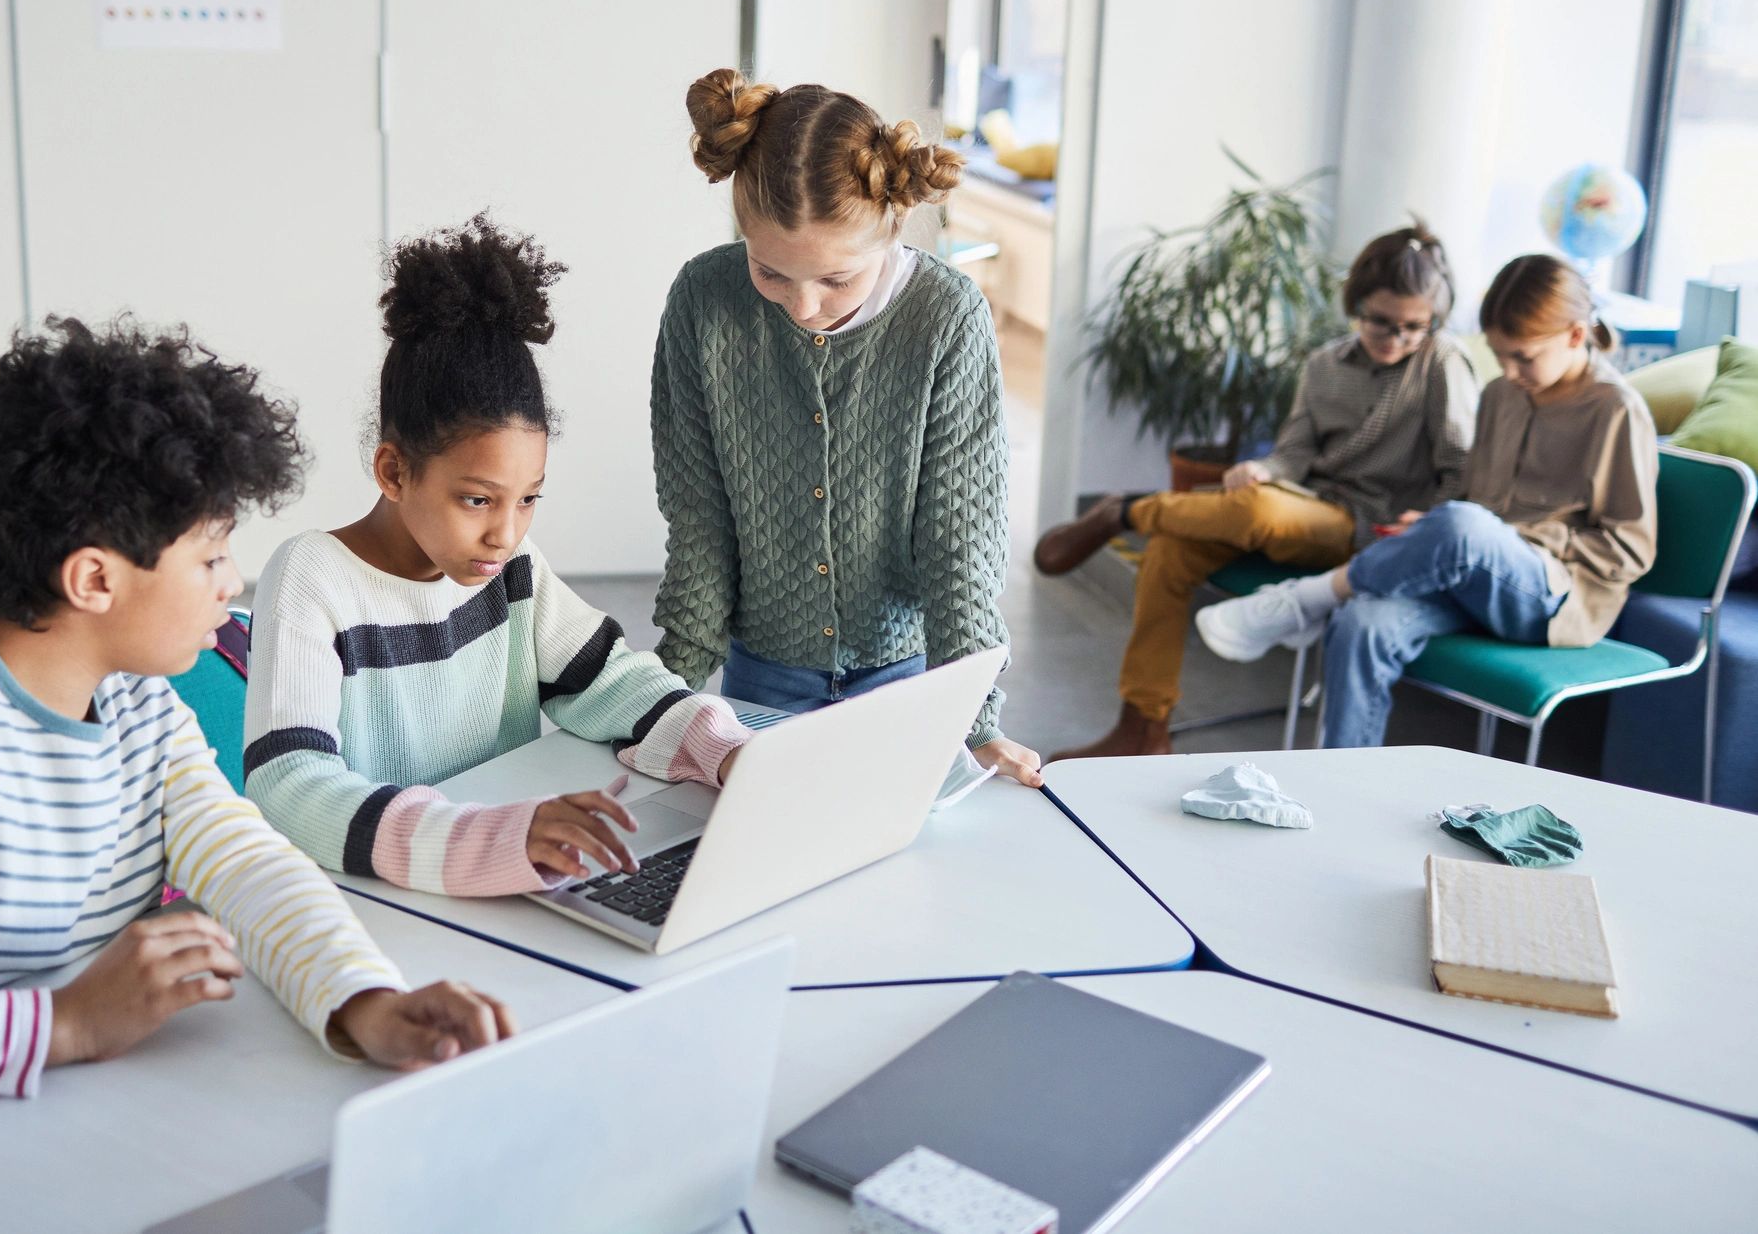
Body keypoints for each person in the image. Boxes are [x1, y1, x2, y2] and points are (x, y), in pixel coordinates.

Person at [0, 318, 513, 1114]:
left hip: (74, 1116)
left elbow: (245, 864)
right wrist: (69, 1022)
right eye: (209, 556)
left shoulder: (137, 705)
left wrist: (361, 1001)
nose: (232, 583)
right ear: (94, 580)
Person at [244, 216, 752, 896]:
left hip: (504, 886)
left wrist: (723, 749)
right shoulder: (312, 578)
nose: (505, 534)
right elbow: (289, 785)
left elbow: (606, 679)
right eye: (478, 500)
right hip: (383, 903)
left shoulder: (510, 569)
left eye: (529, 499)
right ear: (393, 473)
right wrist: (484, 839)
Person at [651, 68, 1040, 786]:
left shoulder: (947, 320)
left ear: (892, 231)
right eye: (769, 272)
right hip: (760, 679)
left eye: (835, 281)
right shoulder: (704, 303)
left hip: (908, 681)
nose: (802, 307)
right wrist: (664, 695)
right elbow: (699, 516)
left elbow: (960, 535)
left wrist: (977, 719)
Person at [1035, 223, 1479, 758]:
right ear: (1355, 303)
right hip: (1305, 503)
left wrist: (1426, 523)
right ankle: (1143, 729)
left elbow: (1461, 469)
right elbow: (1293, 452)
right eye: (1381, 322)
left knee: (1255, 510)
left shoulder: (1442, 362)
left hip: (1372, 529)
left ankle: (1123, 511)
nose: (1398, 338)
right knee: (1173, 551)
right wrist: (1264, 468)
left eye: (1414, 326)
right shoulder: (1324, 365)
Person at [1195, 254, 1658, 749]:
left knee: (1462, 526)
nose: (1508, 370)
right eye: (1499, 356)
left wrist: (1485, 534)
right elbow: (1475, 501)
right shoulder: (1503, 393)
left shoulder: (1616, 410)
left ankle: (1307, 598)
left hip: (1553, 597)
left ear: (1574, 334)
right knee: (1362, 622)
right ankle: (1339, 785)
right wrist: (1433, 529)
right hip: (1475, 577)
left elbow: (1628, 549)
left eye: (1522, 356)